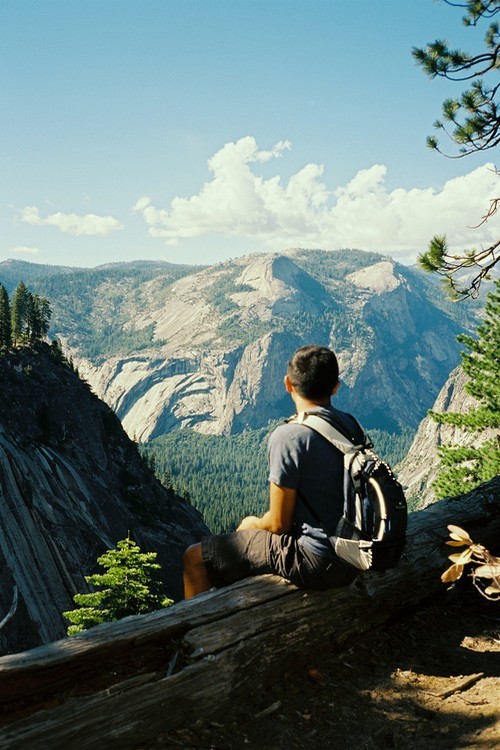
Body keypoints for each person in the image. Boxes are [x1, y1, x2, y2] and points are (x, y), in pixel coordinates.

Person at [183, 344, 364, 598]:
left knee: (195, 557)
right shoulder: (349, 423)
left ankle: (192, 631)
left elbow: (279, 524)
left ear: (288, 384)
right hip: (354, 552)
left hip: (319, 561)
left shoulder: (288, 436)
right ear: (336, 386)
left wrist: (252, 523)